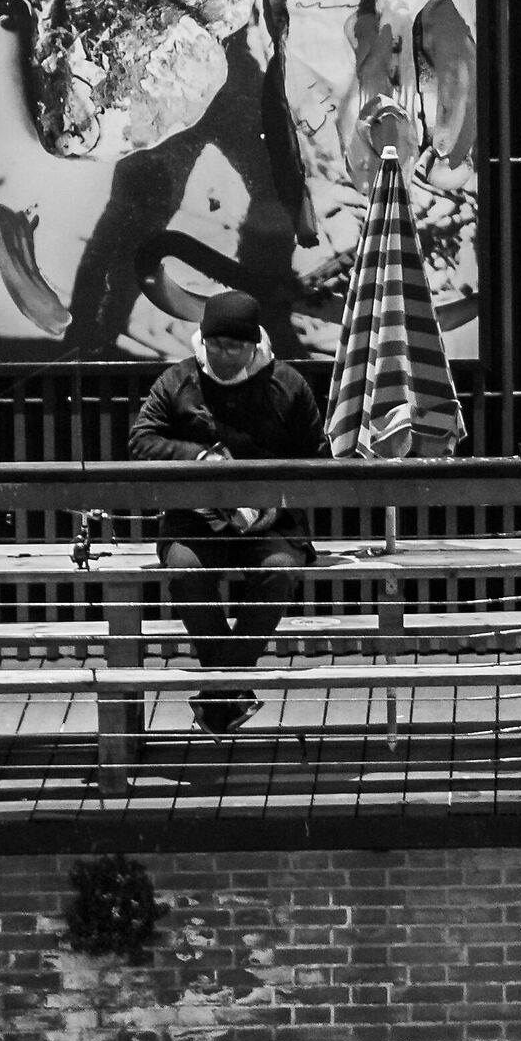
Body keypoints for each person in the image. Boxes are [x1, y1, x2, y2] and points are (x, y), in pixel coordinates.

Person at [128, 290, 326, 735]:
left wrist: (274, 500)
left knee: (279, 569)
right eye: (214, 345)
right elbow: (141, 440)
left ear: (254, 344)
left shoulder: (288, 384)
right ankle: (231, 691)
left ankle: (219, 694)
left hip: (272, 519)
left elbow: (317, 454)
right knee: (183, 568)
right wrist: (198, 456)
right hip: (194, 518)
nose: (222, 355)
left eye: (233, 347)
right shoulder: (176, 380)